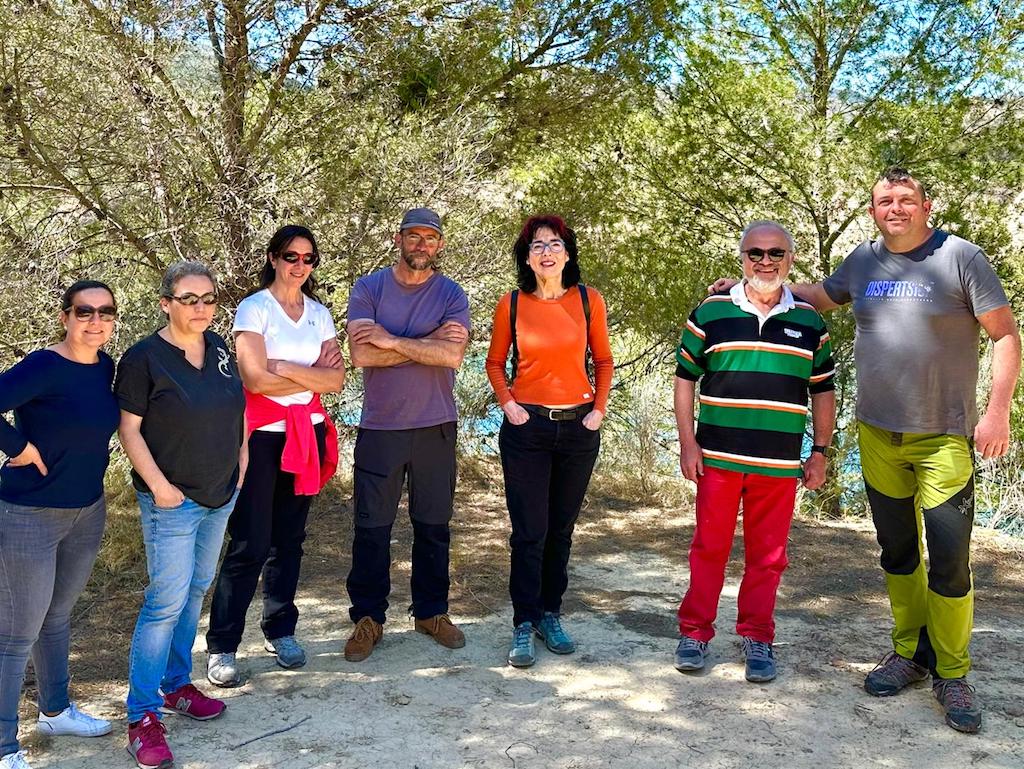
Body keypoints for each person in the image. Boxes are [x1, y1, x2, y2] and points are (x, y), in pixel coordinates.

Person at [712, 169, 1021, 731]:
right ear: (874, 209)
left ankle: (952, 672)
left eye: (906, 200)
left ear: (927, 205)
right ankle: (910, 654)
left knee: (949, 561)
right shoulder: (864, 260)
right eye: (884, 201)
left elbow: (1005, 334)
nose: (895, 209)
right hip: (877, 433)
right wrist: (747, 291)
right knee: (898, 554)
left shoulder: (961, 258)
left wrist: (995, 411)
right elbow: (817, 296)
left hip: (944, 437)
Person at [674, 221, 836, 683]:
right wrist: (688, 443)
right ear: (741, 258)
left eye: (776, 253)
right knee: (709, 549)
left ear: (791, 259)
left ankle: (758, 636)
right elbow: (685, 379)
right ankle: (694, 633)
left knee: (769, 557)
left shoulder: (809, 321)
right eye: (756, 253)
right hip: (718, 459)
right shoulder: (711, 311)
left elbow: (823, 389)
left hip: (779, 464)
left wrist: (819, 451)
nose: (766, 262)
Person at [115, 262, 246, 769]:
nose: (200, 308)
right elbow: (129, 430)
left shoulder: (217, 350)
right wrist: (160, 487)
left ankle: (176, 687)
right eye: (189, 298)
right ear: (166, 302)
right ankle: (141, 717)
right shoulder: (144, 358)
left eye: (208, 298)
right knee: (164, 603)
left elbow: (236, 409)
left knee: (195, 590)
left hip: (220, 495)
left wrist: (243, 458)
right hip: (171, 501)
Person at [205, 225, 345, 687]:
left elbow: (337, 380)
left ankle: (280, 630)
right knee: (249, 542)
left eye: (308, 258)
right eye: (290, 256)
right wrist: (306, 376)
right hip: (261, 439)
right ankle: (223, 645)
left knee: (290, 540)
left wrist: (283, 368)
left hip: (306, 434)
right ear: (273, 257)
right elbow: (255, 381)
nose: (299, 265)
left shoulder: (319, 314)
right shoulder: (254, 308)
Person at [0, 281, 120, 769]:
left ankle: (55, 711)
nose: (95, 322)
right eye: (84, 312)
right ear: (65, 316)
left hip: (87, 511)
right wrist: (17, 448)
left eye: (105, 313)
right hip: (29, 515)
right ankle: (5, 744)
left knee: (57, 617)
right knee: (16, 633)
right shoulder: (43, 366)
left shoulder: (104, 367)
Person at [485, 215, 613, 668]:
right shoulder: (513, 304)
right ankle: (523, 621)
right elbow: (496, 362)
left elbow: (603, 360)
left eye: (554, 243)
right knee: (529, 532)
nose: (546, 251)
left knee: (561, 529)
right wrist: (509, 405)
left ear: (568, 253)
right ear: (527, 257)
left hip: (579, 430)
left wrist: (597, 411)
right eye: (536, 245)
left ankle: (550, 615)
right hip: (527, 432)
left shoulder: (588, 299)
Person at [343, 207, 470, 661]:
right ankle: (368, 618)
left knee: (433, 524)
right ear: (398, 239)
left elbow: (453, 357)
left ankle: (431, 612)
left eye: (430, 238)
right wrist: (428, 343)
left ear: (439, 244)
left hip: (435, 423)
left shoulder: (452, 294)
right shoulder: (369, 288)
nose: (421, 245)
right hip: (381, 425)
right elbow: (361, 356)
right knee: (372, 526)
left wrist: (393, 340)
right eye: (413, 236)